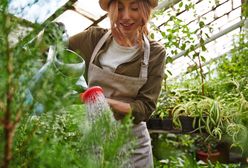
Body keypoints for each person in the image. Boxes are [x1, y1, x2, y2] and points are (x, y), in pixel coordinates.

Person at [42, 0, 165, 167]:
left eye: (134, 8)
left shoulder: (155, 53)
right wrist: (47, 37)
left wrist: (102, 102)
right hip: (94, 138)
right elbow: (53, 51)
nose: (126, 16)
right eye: (119, 8)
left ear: (144, 11)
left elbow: (145, 108)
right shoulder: (93, 39)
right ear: (112, 10)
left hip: (132, 144)